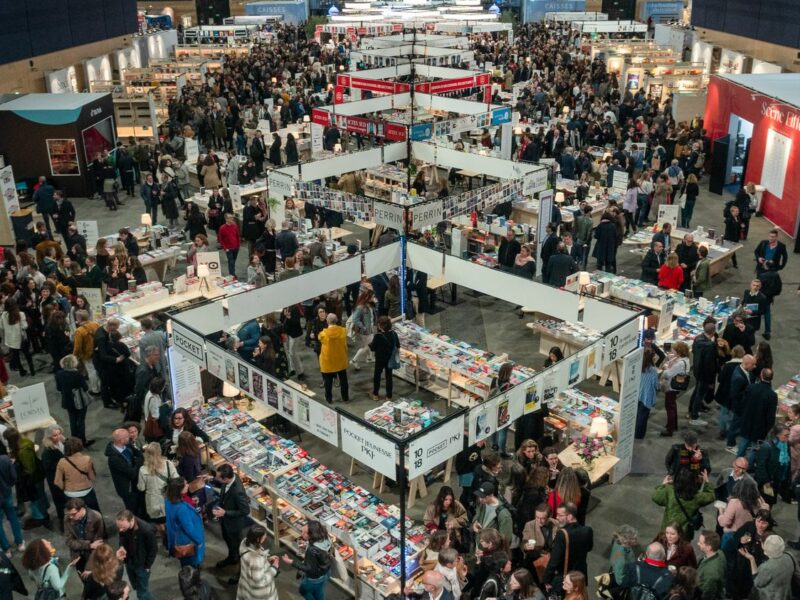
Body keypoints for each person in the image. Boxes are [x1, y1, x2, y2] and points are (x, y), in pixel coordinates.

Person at [3, 428, 49, 529]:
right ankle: (44, 510)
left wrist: (17, 470)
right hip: (38, 473)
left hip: (33, 478)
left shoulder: (23, 451)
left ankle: (39, 517)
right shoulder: (25, 442)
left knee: (35, 498)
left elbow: (29, 469)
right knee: (40, 494)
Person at [543, 503, 593, 591]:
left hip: (565, 578)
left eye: (560, 515)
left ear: (570, 516)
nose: (557, 517)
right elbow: (589, 548)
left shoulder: (562, 534)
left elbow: (554, 561)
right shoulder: (588, 530)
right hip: (580, 575)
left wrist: (547, 580)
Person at [211, 463, 250, 577]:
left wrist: (225, 513)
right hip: (225, 522)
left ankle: (240, 574)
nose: (216, 479)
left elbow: (245, 511)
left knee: (238, 548)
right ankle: (232, 558)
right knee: (228, 541)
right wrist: (211, 478)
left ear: (226, 479)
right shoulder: (231, 478)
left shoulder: (238, 491)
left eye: (218, 478)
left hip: (234, 526)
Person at [653, 469, 714, 538]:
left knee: (666, 543)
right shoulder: (697, 497)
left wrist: (663, 485)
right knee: (683, 545)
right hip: (684, 534)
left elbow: (656, 497)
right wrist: (706, 482)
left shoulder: (669, 491)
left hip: (668, 531)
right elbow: (711, 496)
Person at [281, 520, 332, 600]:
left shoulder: (312, 550)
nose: (301, 534)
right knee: (319, 591)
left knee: (303, 591)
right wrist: (308, 543)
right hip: (326, 572)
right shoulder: (325, 537)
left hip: (315, 578)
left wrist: (291, 562)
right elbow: (321, 554)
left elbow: (309, 569)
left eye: (304, 533)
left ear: (312, 535)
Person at [115, 509, 157, 600]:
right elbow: (121, 537)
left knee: (142, 594)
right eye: (119, 527)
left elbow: (153, 550)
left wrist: (147, 566)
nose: (120, 529)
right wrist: (121, 546)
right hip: (129, 562)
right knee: (136, 587)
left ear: (131, 520)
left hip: (141, 565)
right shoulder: (123, 527)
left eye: (122, 527)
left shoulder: (146, 530)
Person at [737, 368, 778, 459]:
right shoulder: (772, 395)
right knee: (755, 448)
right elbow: (771, 416)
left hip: (747, 421)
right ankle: (750, 464)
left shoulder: (751, 387)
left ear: (761, 375)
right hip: (760, 427)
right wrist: (768, 428)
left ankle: (738, 462)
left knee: (743, 443)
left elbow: (743, 403)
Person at [165, 478, 205, 567]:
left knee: (184, 561)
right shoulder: (182, 509)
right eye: (185, 484)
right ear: (179, 490)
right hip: (186, 540)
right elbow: (189, 529)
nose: (188, 485)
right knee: (191, 562)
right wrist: (199, 541)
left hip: (176, 537)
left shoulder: (168, 500)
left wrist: (191, 502)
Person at [54, 437, 101, 512]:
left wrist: (66, 488)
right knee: (94, 513)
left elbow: (57, 481)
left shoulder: (62, 462)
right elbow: (92, 477)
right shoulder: (87, 459)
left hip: (70, 494)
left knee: (75, 515)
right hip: (86, 491)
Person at [137, 442, 176, 530]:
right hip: (168, 498)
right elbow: (176, 479)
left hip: (153, 502)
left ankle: (163, 536)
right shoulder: (168, 464)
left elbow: (141, 488)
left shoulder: (143, 469)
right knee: (170, 521)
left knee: (159, 523)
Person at [105, 427, 143, 515]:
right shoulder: (114, 459)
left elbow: (139, 454)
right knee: (133, 509)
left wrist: (138, 459)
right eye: (127, 436)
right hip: (127, 489)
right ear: (121, 440)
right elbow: (132, 473)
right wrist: (138, 462)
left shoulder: (127, 446)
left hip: (134, 484)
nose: (129, 437)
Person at [237, 525, 280, 600]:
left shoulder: (245, 543)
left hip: (247, 586)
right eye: (264, 536)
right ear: (257, 539)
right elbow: (260, 582)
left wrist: (267, 559)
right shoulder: (256, 560)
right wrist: (274, 568)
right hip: (260, 595)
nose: (265, 537)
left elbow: (251, 565)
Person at [658, 341, 691, 437]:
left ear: (679, 352)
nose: (672, 351)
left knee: (670, 407)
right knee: (672, 406)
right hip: (676, 386)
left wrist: (665, 368)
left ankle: (670, 429)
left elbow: (668, 374)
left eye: (674, 350)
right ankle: (673, 425)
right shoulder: (685, 360)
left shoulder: (680, 363)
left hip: (672, 387)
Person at [688, 322, 718, 426]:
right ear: (713, 332)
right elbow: (710, 364)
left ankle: (691, 410)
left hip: (697, 371)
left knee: (697, 391)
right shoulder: (710, 346)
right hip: (705, 374)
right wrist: (711, 380)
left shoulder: (697, 339)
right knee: (700, 395)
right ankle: (694, 416)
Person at [318, 313, 349, 404]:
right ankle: (345, 397)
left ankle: (329, 399)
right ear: (337, 320)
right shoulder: (343, 331)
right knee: (343, 380)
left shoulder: (323, 334)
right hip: (340, 359)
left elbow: (319, 338)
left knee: (328, 381)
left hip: (328, 361)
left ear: (327, 321)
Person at [472, 482, 514, 546]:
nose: (480, 499)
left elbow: (506, 540)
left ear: (491, 496)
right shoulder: (483, 503)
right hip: (480, 544)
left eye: (484, 497)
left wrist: (490, 547)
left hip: (491, 548)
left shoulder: (504, 514)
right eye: (480, 496)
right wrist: (474, 523)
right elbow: (477, 516)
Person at [368, 316, 399, 401]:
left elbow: (373, 348)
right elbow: (398, 345)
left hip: (380, 359)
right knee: (389, 376)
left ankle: (375, 394)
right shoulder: (394, 334)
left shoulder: (378, 336)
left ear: (381, 326)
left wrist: (370, 344)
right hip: (390, 358)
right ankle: (389, 396)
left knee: (377, 376)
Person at [636, 348, 660, 439]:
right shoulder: (652, 370)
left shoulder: (638, 366)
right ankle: (639, 434)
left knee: (638, 414)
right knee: (643, 417)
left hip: (638, 393)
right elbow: (656, 385)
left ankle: (635, 432)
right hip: (647, 396)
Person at [608, 525, 639, 593]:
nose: (637, 540)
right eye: (634, 538)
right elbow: (620, 580)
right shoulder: (621, 558)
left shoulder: (620, 543)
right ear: (627, 540)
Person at [696, 531, 726, 600]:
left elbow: (706, 594)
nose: (698, 544)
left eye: (701, 543)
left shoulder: (710, 573)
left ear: (709, 547)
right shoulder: (720, 552)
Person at [218, 213, 241, 278]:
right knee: (231, 262)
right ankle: (232, 275)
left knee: (233, 261)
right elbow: (221, 239)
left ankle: (232, 273)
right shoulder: (222, 228)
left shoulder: (235, 226)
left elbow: (237, 236)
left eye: (232, 217)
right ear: (226, 219)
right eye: (230, 218)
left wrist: (238, 245)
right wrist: (225, 248)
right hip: (228, 248)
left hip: (236, 247)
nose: (232, 219)